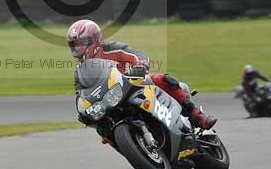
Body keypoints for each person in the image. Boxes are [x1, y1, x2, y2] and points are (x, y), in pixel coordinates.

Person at [67, 19, 217, 129]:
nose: (77, 49)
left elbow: (137, 55)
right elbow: (82, 95)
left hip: (132, 84)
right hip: (111, 99)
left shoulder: (112, 48)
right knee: (102, 127)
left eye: (81, 43)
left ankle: (197, 116)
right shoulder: (80, 72)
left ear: (95, 39)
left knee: (163, 79)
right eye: (74, 45)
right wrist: (84, 112)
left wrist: (140, 65)